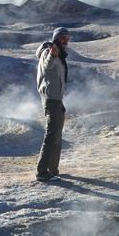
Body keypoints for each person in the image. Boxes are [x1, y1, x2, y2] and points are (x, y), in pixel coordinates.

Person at [35, 27, 71, 182]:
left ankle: (52, 170)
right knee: (51, 135)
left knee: (56, 134)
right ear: (56, 38)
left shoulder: (59, 54)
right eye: (63, 38)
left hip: (56, 99)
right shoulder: (49, 52)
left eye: (67, 38)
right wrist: (51, 54)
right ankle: (42, 172)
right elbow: (48, 64)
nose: (66, 41)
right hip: (52, 99)